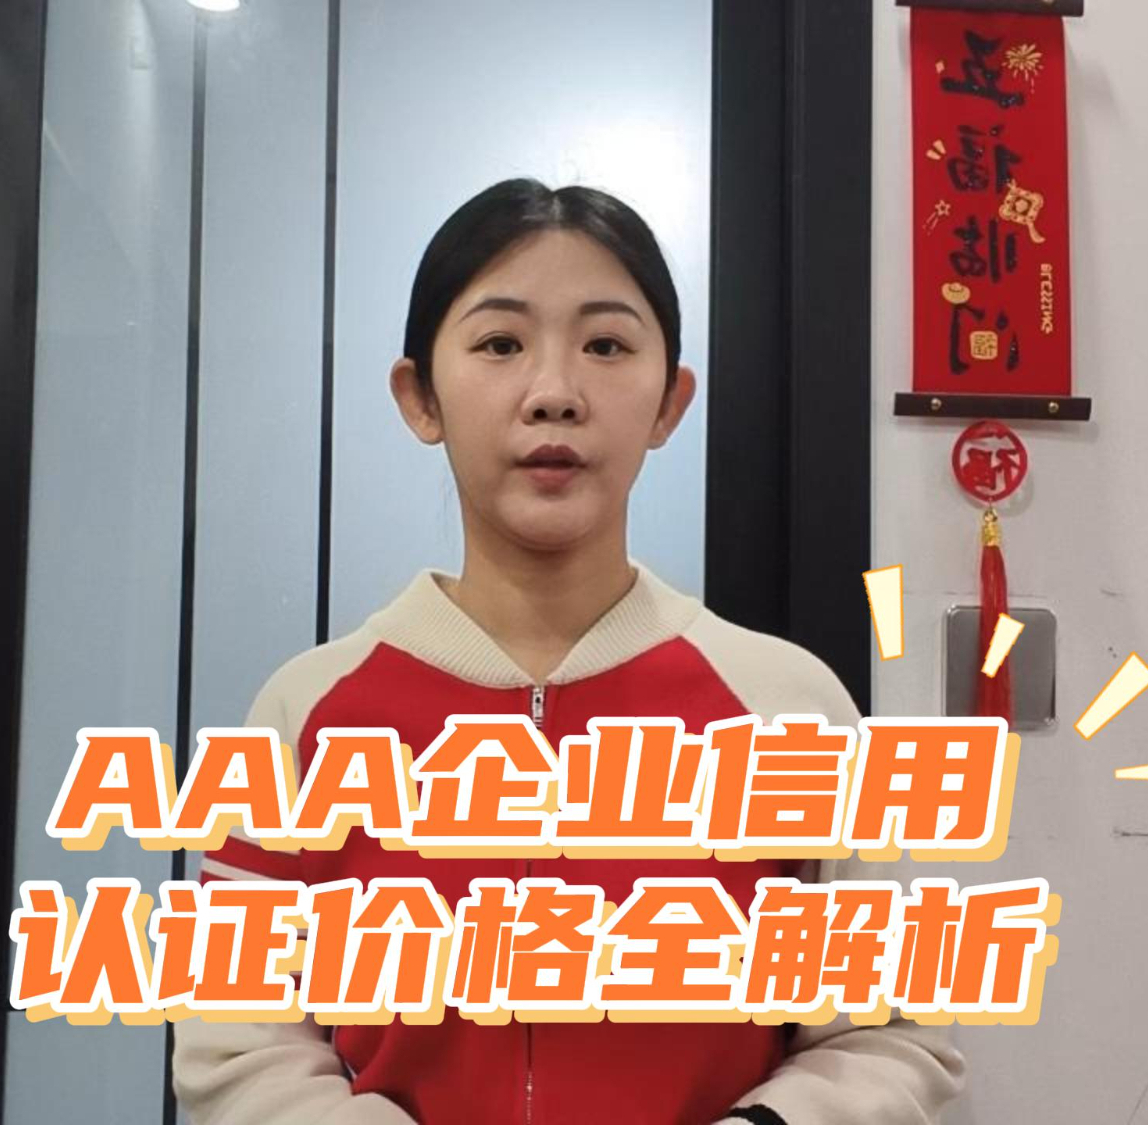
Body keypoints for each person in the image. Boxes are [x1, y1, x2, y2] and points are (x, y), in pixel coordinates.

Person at [173, 178, 964, 1124]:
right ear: (419, 397)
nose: (554, 394)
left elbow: (889, 1032)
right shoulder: (305, 713)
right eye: (500, 344)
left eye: (606, 346)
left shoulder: (788, 706)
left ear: (669, 403)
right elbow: (236, 1039)